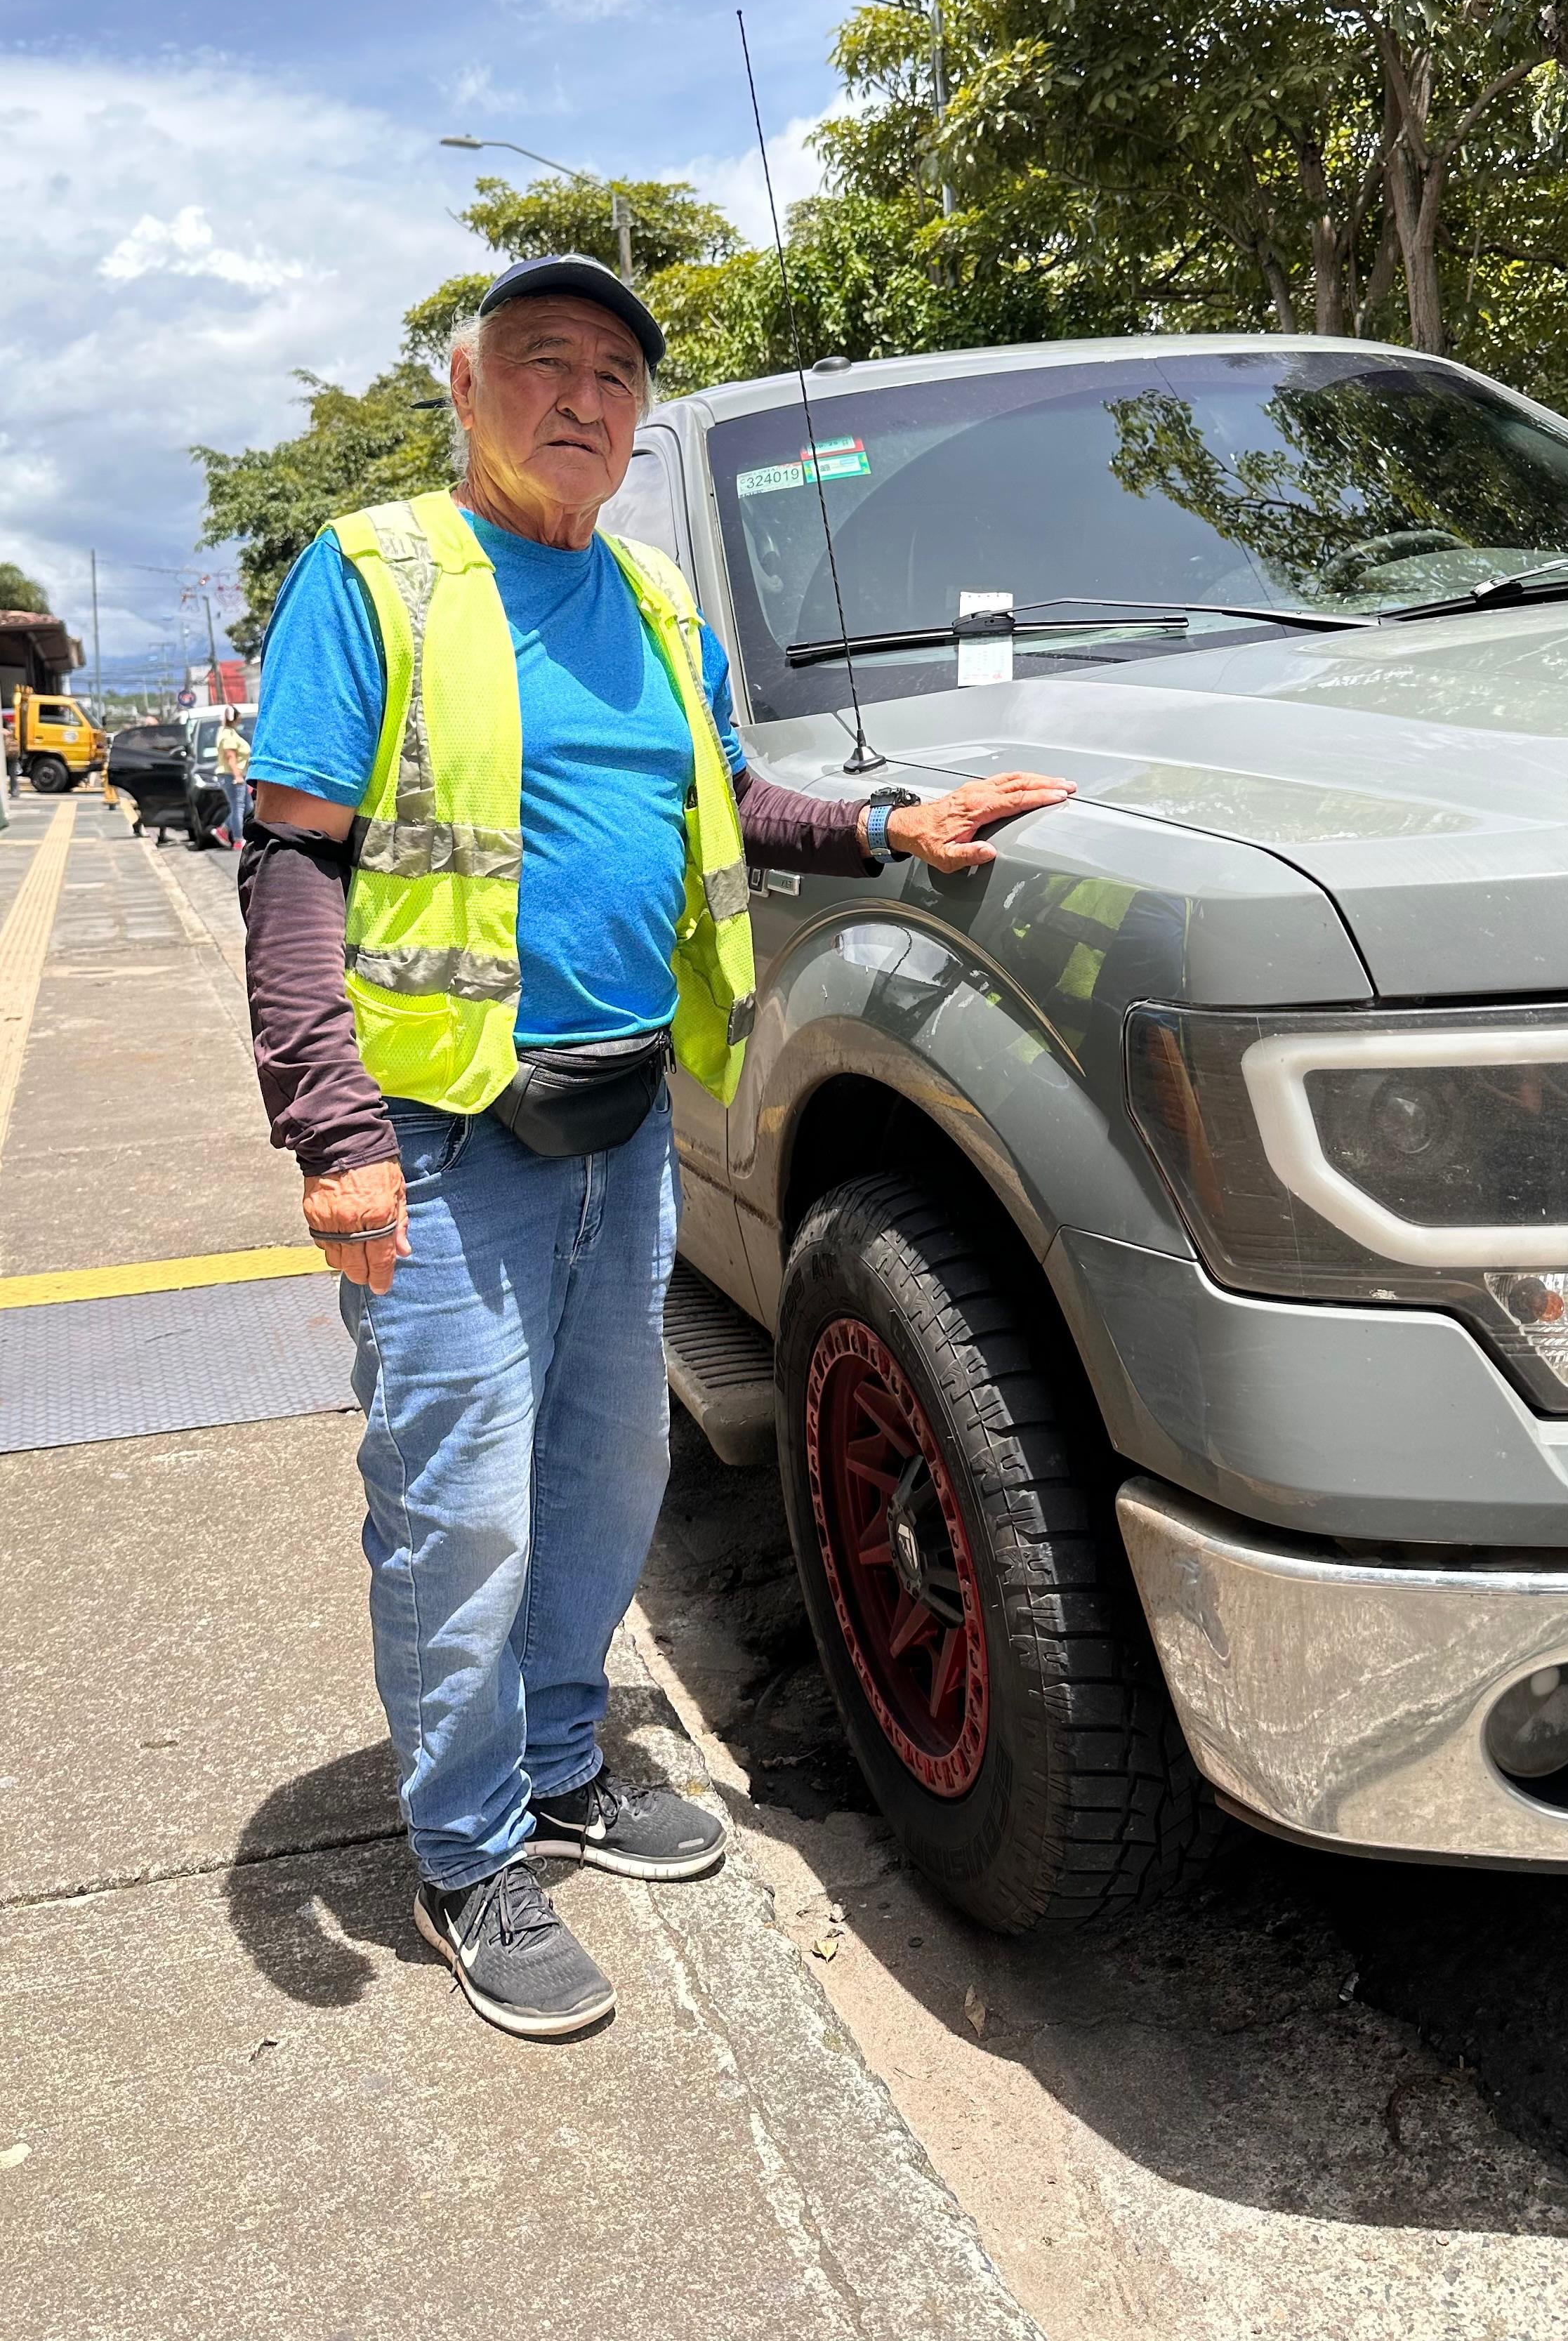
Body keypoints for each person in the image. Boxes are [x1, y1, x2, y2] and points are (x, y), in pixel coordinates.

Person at [239, 253, 1071, 2042]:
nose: (586, 401)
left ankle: (556, 1762)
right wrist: (331, 1127)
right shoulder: (379, 571)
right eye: (545, 365)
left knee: (608, 1475)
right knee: (457, 1509)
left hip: (621, 1125)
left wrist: (885, 824)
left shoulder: (655, 595)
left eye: (617, 376)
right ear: (464, 388)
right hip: (443, 1138)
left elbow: (726, 794)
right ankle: (462, 1850)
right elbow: (295, 859)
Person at [214, 706, 251, 848]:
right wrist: (238, 775)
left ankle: (224, 829)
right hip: (232, 776)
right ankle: (238, 839)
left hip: (237, 775)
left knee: (248, 806)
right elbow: (230, 756)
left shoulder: (230, 733)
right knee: (239, 807)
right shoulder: (227, 735)